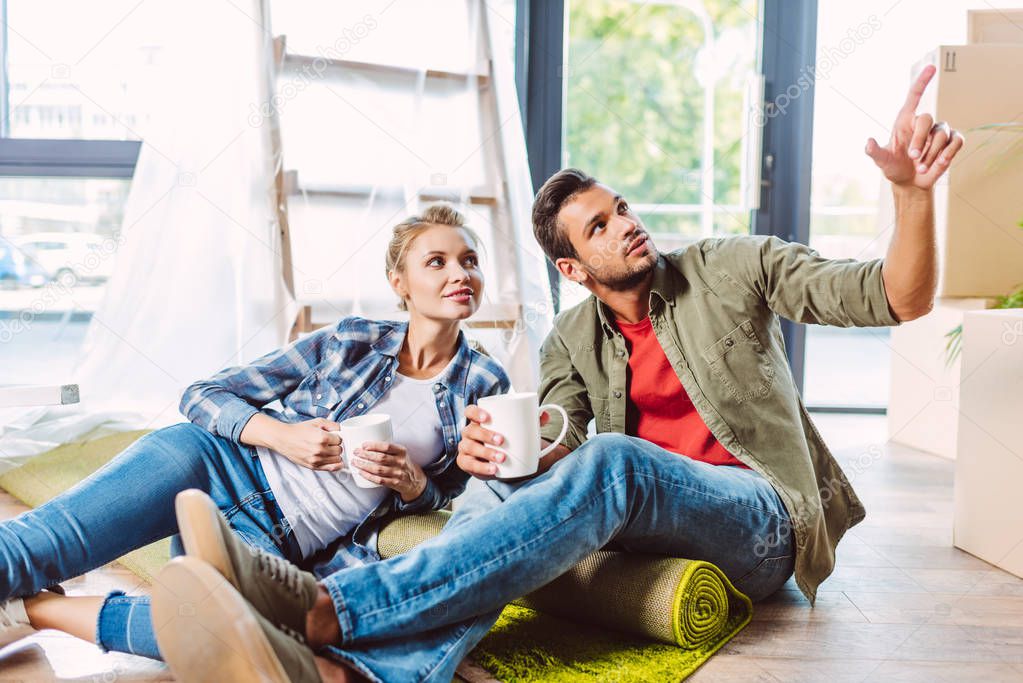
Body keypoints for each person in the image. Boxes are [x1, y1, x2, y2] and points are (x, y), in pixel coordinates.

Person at [94, 65, 964, 683]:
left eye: (619, 208)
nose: (625, 225)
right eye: (596, 228)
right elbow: (555, 445)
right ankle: (345, 672)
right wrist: (495, 457)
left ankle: (330, 608)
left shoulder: (730, 266)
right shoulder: (571, 341)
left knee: (616, 465)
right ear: (572, 270)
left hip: (759, 521)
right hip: (649, 525)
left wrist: (911, 195)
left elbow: (896, 296)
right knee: (492, 502)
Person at [0, 204, 510, 681]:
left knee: (226, 633)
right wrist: (284, 437)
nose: (460, 274)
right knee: (36, 547)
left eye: (470, 261)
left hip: (273, 542)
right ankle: (25, 595)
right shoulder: (351, 339)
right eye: (437, 262)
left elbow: (448, 490)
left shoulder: (485, 381)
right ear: (400, 283)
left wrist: (414, 482)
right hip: (208, 464)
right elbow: (202, 394)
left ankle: (29, 611)